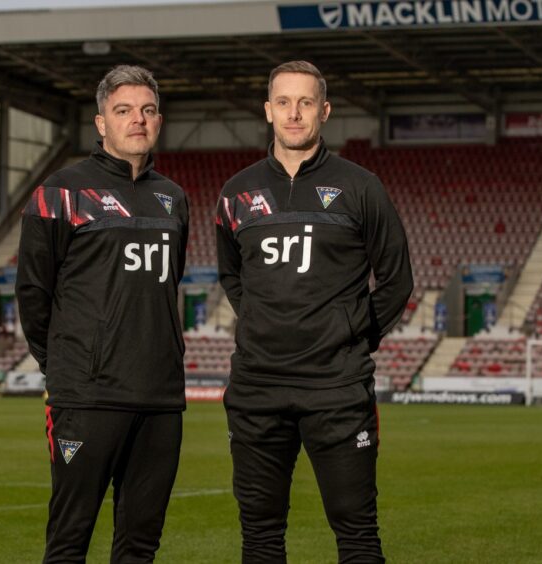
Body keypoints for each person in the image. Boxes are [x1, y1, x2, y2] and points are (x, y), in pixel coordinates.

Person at [215, 61, 413, 563]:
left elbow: (396, 280)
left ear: (324, 111)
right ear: (268, 111)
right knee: (259, 538)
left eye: (306, 102)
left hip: (336, 389)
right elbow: (232, 276)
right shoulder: (235, 192)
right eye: (283, 102)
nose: (294, 113)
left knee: (358, 536)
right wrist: (264, 324)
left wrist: (351, 334)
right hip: (257, 389)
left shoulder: (361, 187)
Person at [16, 65, 189, 564]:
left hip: (160, 399)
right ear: (100, 122)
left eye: (148, 110)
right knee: (69, 541)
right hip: (87, 395)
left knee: (140, 546)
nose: (138, 120)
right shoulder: (61, 192)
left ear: (158, 120)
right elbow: (33, 292)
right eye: (124, 111)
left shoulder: (173, 199)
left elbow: (166, 286)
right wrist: (69, 367)